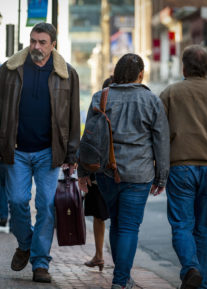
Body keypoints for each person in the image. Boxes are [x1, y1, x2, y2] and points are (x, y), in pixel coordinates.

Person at [0, 22, 80, 283]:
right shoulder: (10, 70)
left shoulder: (67, 74)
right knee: (16, 201)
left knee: (47, 206)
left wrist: (72, 155)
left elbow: (72, 117)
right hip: (16, 150)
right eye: (33, 41)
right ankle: (25, 243)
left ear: (53, 45)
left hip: (49, 152)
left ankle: (40, 263)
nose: (36, 46)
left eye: (42, 42)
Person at [78, 53, 170, 289]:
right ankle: (120, 281)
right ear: (141, 75)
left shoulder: (102, 96)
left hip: (107, 173)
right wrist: (162, 176)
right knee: (128, 226)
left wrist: (83, 171)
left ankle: (122, 278)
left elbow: (88, 137)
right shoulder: (152, 101)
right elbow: (161, 141)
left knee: (117, 224)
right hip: (139, 175)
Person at [159, 45, 207, 289]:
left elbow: (159, 133)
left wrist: (159, 165)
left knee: (182, 224)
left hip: (181, 165)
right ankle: (201, 282)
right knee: (203, 228)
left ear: (184, 67)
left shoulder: (171, 93)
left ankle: (191, 267)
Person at [82, 76, 113, 272]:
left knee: (99, 217)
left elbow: (88, 139)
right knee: (117, 218)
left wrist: (84, 171)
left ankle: (100, 255)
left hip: (98, 169)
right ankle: (106, 257)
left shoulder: (97, 104)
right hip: (118, 169)